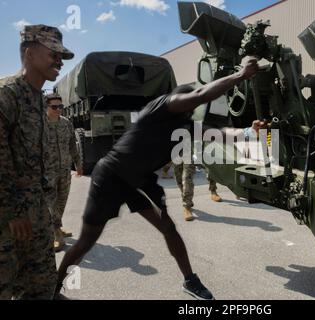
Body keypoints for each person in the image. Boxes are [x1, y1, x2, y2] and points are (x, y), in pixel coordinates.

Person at [55, 57, 260, 300]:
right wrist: (240, 75)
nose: (193, 108)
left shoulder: (185, 125)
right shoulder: (161, 105)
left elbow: (220, 133)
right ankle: (53, 289)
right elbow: (201, 95)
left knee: (169, 228)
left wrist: (248, 132)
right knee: (87, 241)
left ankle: (190, 281)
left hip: (139, 181)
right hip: (111, 176)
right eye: (190, 102)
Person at [0, 25, 74, 299]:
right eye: (53, 54)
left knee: (41, 284)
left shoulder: (38, 100)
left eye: (61, 56)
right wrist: (14, 211)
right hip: (9, 217)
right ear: (29, 54)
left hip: (37, 212)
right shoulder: (7, 94)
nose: (60, 61)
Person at [46, 93, 83, 252]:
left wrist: (78, 164)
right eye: (54, 107)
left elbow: (72, 146)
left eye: (60, 106)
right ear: (46, 107)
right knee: (50, 204)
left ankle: (57, 228)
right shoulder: (41, 124)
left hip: (65, 170)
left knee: (62, 201)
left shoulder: (66, 123)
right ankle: (57, 236)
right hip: (47, 172)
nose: (58, 110)